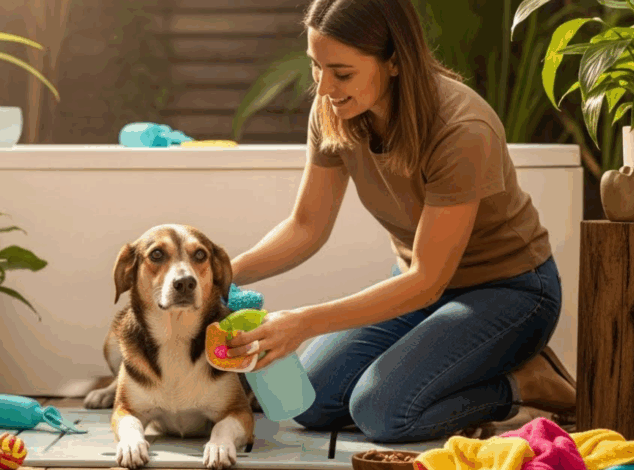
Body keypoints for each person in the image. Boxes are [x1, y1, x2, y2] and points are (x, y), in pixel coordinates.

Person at [219, 0, 577, 443]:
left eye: (342, 73)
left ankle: (526, 382)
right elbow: (306, 226)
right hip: (417, 284)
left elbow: (428, 280)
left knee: (383, 413)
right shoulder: (335, 110)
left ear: (394, 61)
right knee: (310, 401)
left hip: (510, 291)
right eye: (316, 66)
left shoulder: (461, 127)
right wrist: (222, 274)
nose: (324, 87)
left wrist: (303, 322)